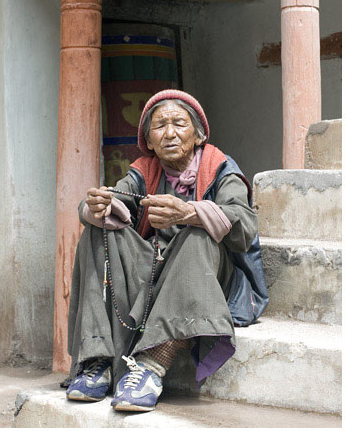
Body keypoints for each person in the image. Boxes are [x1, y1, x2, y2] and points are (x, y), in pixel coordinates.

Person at [65, 89, 261, 412]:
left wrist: (190, 213)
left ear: (198, 135)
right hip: (155, 274)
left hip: (208, 279)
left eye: (179, 124)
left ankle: (151, 364)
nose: (170, 133)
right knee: (97, 228)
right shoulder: (144, 171)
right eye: (160, 126)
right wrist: (97, 205)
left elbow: (244, 226)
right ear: (150, 142)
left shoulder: (220, 167)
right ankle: (97, 360)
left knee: (197, 236)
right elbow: (119, 199)